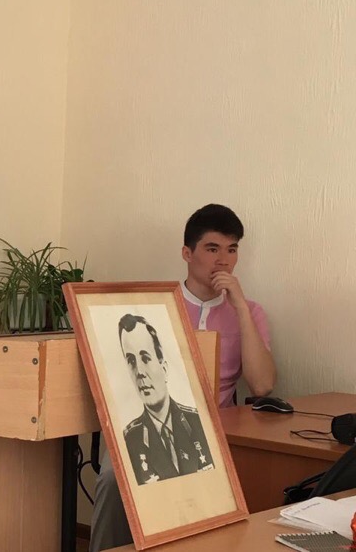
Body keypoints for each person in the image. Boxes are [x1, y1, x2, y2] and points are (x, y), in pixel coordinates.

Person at [90, 204, 274, 551]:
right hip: (148, 426)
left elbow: (263, 385)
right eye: (212, 249)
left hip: (218, 433)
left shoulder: (249, 312)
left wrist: (239, 308)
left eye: (232, 250)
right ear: (187, 253)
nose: (224, 261)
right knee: (115, 478)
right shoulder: (152, 306)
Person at [118, 313, 214, 485]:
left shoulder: (198, 424)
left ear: (164, 368)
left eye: (146, 358)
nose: (140, 372)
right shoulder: (130, 439)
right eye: (131, 361)